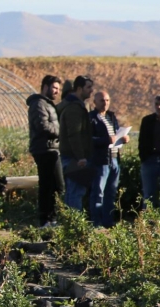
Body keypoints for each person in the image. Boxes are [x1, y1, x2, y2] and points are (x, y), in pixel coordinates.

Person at [27, 75, 63, 228]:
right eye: (54, 88)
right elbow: (43, 126)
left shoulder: (47, 104)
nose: (57, 92)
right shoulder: (39, 104)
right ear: (45, 86)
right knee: (48, 185)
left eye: (58, 89)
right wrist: (62, 132)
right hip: (45, 149)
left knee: (56, 186)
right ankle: (45, 220)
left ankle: (51, 218)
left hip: (51, 148)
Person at [89, 91, 129, 227]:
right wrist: (105, 140)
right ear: (95, 102)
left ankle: (108, 220)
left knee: (111, 192)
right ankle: (96, 221)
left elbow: (116, 133)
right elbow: (89, 140)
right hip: (101, 160)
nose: (105, 103)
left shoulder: (111, 116)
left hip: (114, 158)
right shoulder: (92, 118)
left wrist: (123, 138)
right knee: (98, 192)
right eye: (101, 100)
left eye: (107, 100)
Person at [59, 75, 94, 210]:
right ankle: (74, 226)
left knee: (72, 192)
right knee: (75, 192)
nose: (91, 91)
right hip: (74, 158)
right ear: (79, 89)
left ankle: (70, 224)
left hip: (72, 156)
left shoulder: (74, 105)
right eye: (88, 87)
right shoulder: (74, 108)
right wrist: (80, 157)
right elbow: (74, 134)